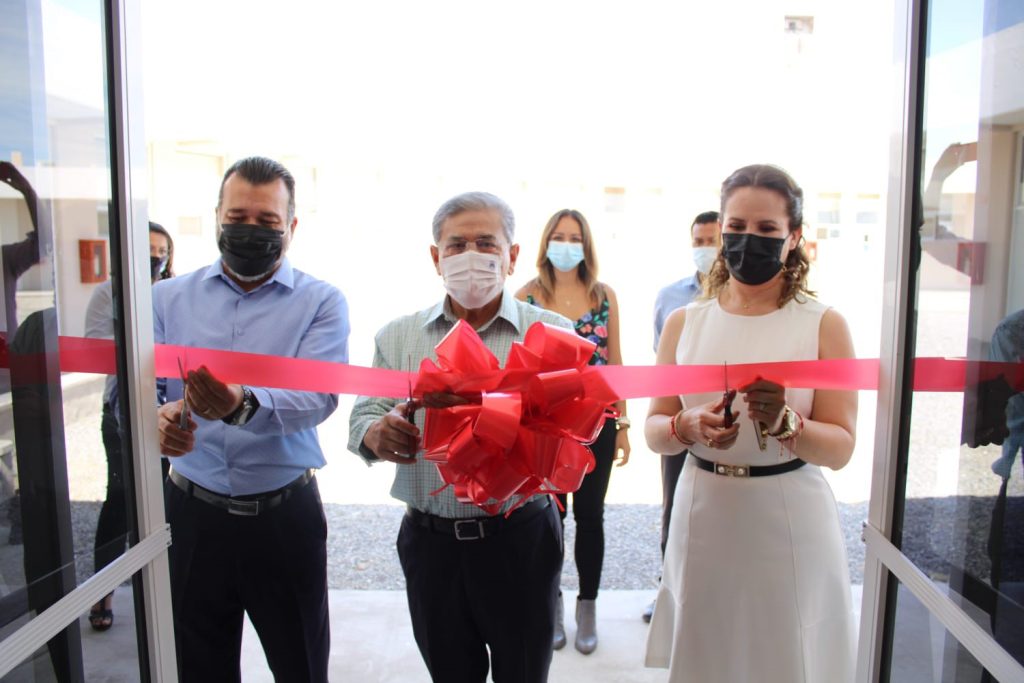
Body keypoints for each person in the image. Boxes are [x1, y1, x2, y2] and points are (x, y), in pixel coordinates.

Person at [643, 164, 858, 682]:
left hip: (788, 517)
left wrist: (787, 424)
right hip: (704, 511)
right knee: (707, 655)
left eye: (766, 229)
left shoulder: (824, 324)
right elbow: (654, 429)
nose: (748, 240)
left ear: (794, 237)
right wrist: (686, 426)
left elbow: (841, 447)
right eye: (737, 227)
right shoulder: (684, 323)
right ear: (721, 229)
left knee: (785, 655)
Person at [349, 191, 571, 683]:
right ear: (436, 257)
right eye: (456, 245)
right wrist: (379, 434)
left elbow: (572, 436)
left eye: (486, 243)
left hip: (520, 539)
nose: (471, 255)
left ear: (512, 256)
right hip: (432, 547)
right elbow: (363, 417)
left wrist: (506, 419)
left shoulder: (552, 334)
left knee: (524, 672)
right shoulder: (398, 337)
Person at [155, 156, 349, 682]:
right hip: (192, 515)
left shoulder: (321, 302)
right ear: (217, 216)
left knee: (300, 663)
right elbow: (131, 390)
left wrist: (241, 404)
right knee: (197, 665)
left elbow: (319, 396)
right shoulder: (165, 299)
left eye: (267, 221)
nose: (251, 231)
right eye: (238, 218)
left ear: (291, 226)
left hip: (282, 518)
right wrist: (156, 419)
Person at [514, 208, 630, 654]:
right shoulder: (527, 297)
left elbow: (616, 363)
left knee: (591, 516)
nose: (566, 245)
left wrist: (622, 424)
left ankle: (588, 606)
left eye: (575, 237)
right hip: (547, 427)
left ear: (587, 245)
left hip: (598, 424)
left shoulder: (604, 296)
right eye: (559, 237)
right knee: (550, 517)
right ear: (546, 243)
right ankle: (552, 604)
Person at [83, 221, 174, 631]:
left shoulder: (170, 293)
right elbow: (97, 349)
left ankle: (161, 592)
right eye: (148, 250)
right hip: (121, 412)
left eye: (161, 252)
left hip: (166, 410)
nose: (155, 257)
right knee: (119, 501)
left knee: (164, 502)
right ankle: (102, 592)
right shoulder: (108, 294)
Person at [644, 209, 720, 623]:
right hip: (680, 417)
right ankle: (667, 590)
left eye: (713, 241)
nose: (705, 249)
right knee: (674, 506)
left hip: (726, 420)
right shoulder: (670, 297)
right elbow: (663, 363)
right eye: (699, 241)